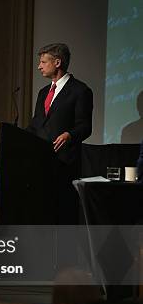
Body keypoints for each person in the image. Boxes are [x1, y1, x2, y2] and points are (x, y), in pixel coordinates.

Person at [27, 43, 93, 223]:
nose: (39, 66)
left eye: (43, 62)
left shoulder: (80, 91)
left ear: (57, 62)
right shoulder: (43, 93)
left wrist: (69, 135)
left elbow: (85, 126)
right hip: (40, 164)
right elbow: (36, 124)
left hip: (64, 164)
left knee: (63, 215)